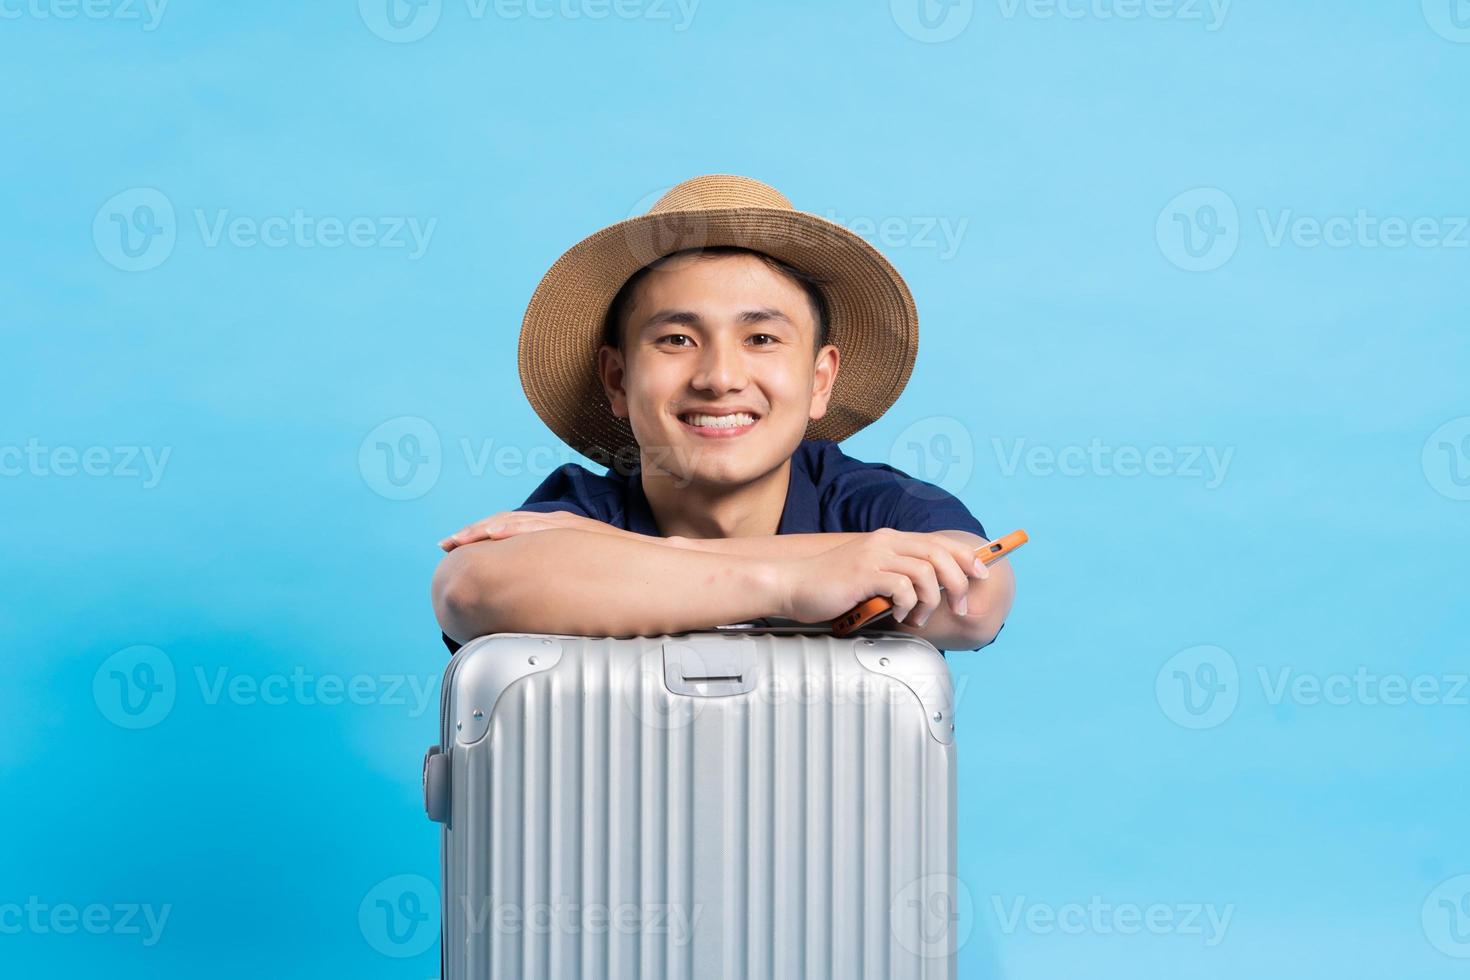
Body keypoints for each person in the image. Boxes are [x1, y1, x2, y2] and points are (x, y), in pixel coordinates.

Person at [431, 175, 1015, 653]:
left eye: (761, 338)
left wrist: (651, 559)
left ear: (819, 380)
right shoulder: (583, 506)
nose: (719, 378)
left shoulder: (870, 503)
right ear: (617, 380)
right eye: (677, 340)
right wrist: (794, 583)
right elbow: (468, 589)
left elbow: (977, 604)